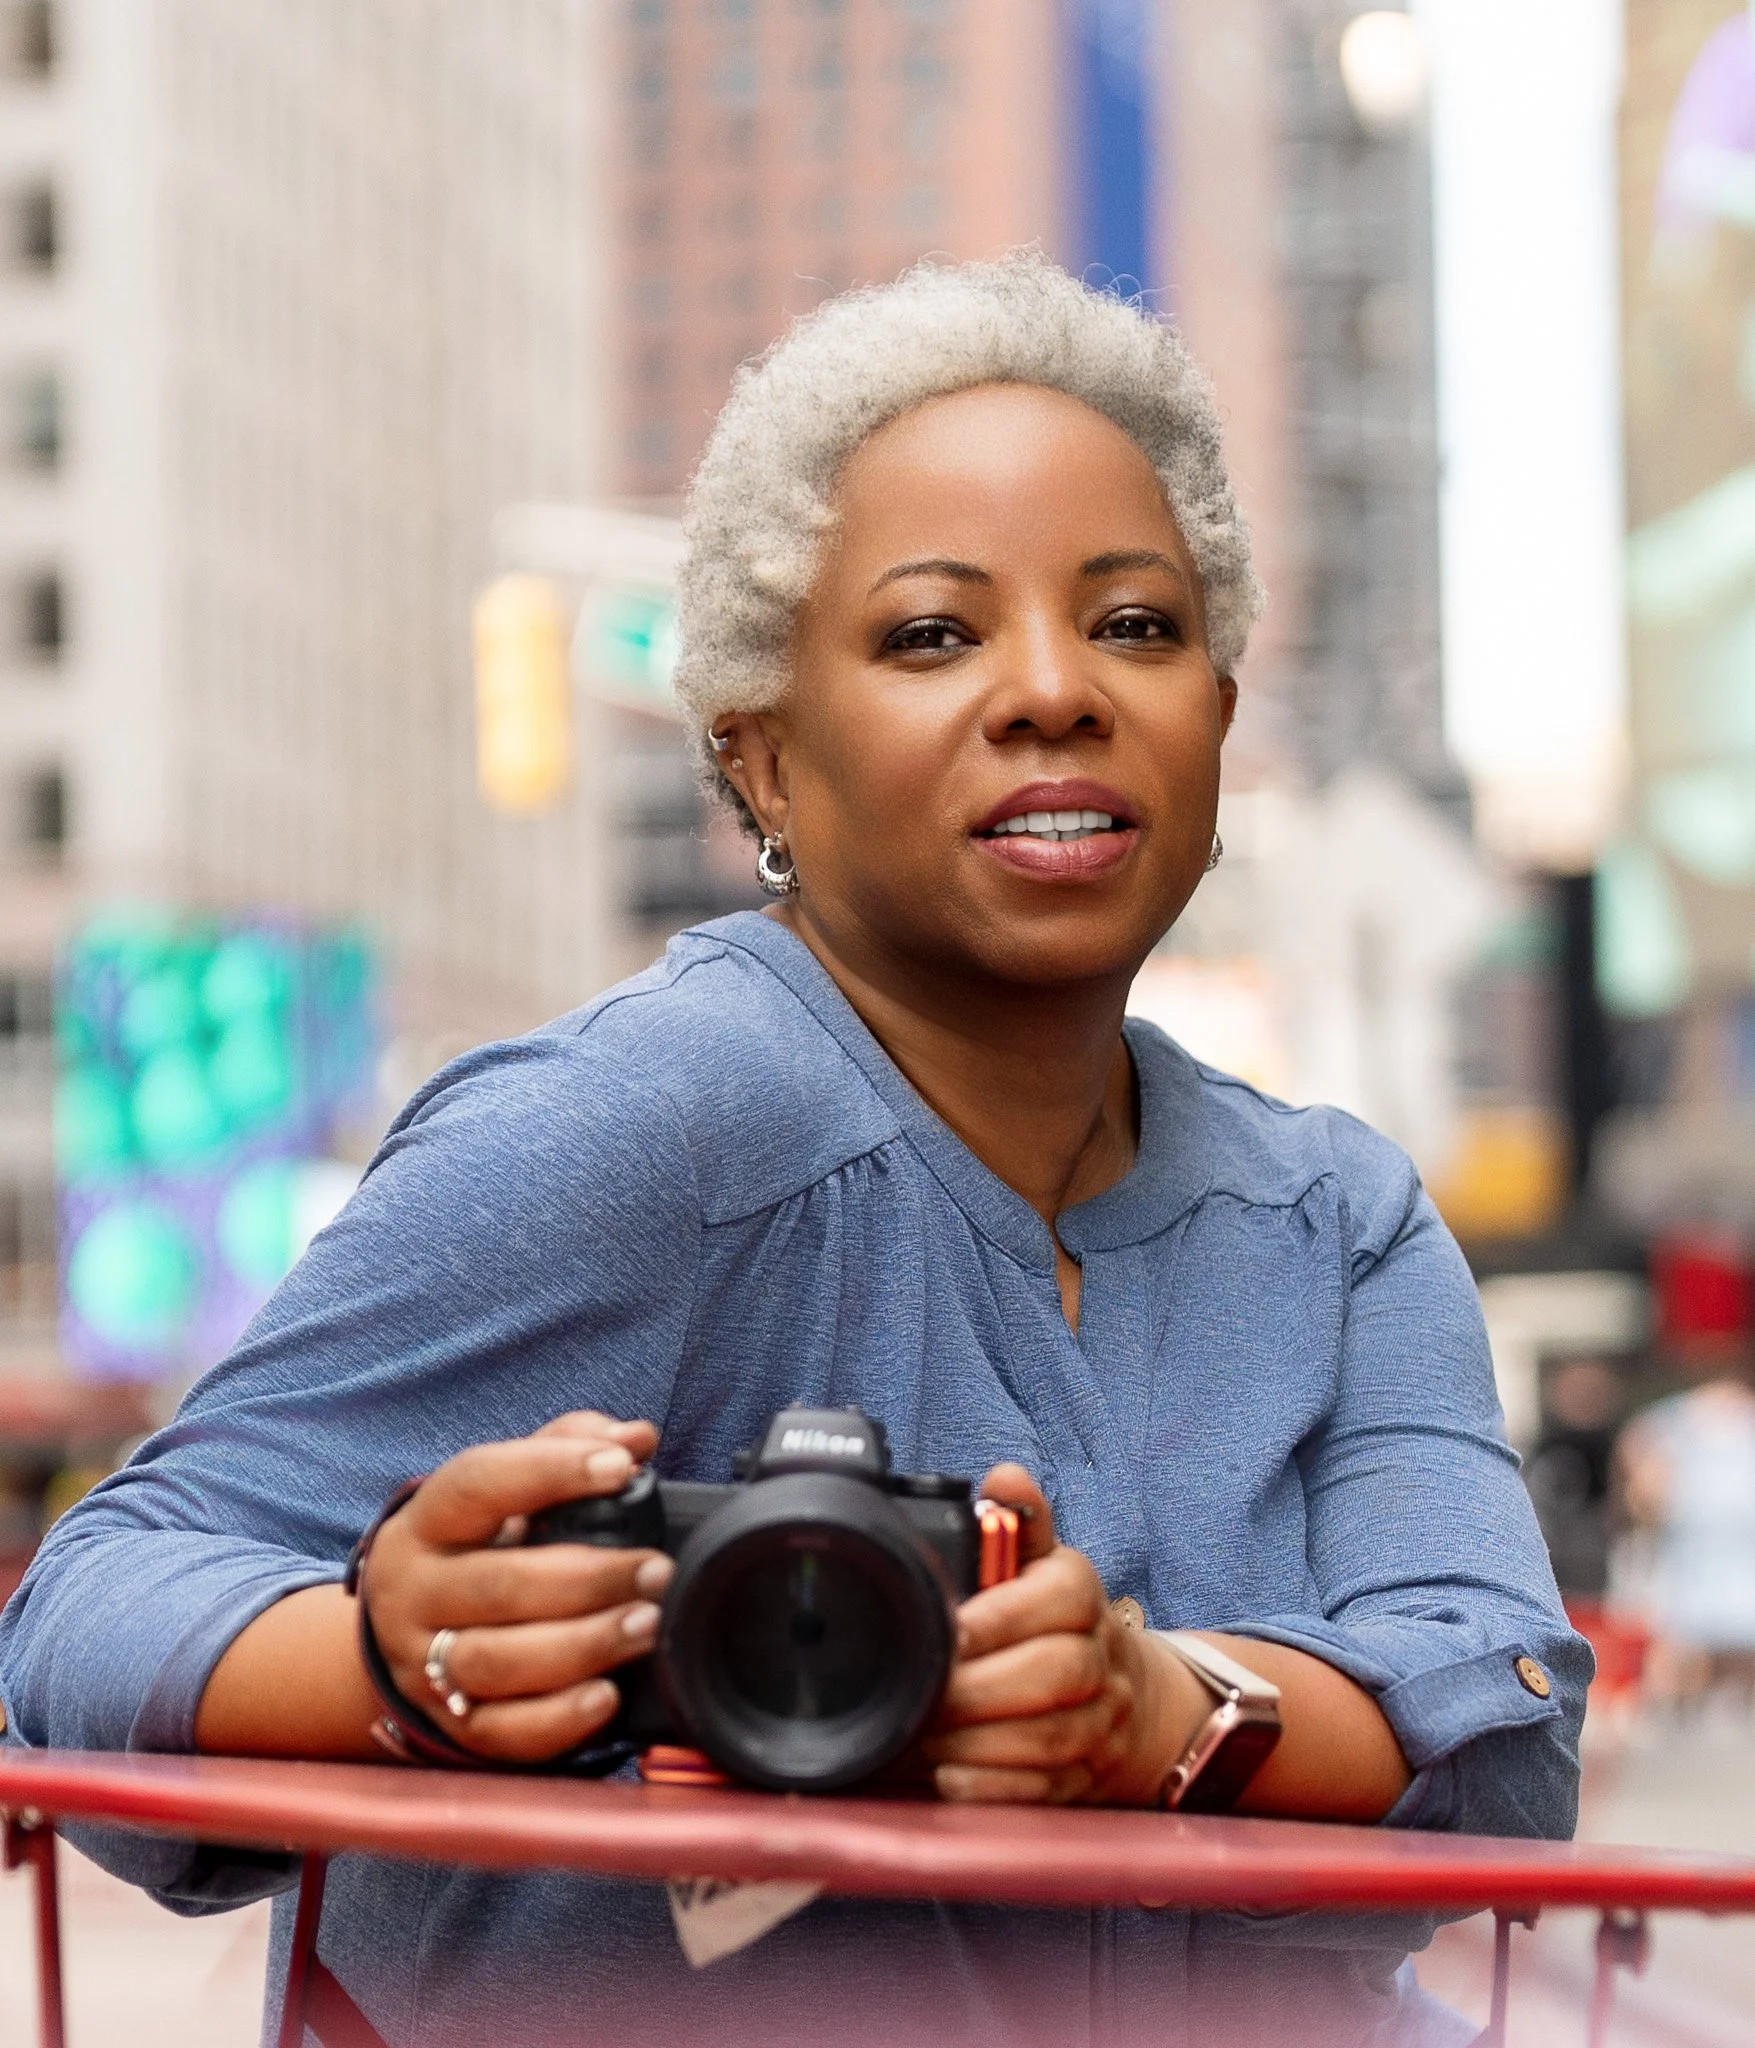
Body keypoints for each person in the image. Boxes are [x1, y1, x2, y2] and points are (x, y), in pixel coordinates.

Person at [0, 256, 1587, 2048]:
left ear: (1218, 717)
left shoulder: (1338, 1218)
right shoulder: (631, 1125)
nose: (1054, 692)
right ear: (758, 763)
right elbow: (89, 1619)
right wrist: (399, 1658)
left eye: (1137, 624)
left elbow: (1508, 1729)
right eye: (932, 635)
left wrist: (1160, 1713)